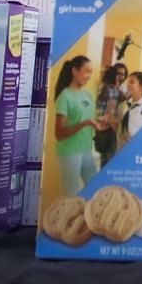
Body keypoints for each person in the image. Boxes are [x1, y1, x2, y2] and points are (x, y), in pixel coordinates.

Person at [51, 56, 102, 192]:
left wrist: (102, 120)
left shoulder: (87, 94)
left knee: (94, 190)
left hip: (86, 150)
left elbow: (90, 120)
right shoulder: (65, 96)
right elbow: (59, 134)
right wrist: (84, 124)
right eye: (87, 71)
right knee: (71, 194)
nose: (89, 76)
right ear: (75, 71)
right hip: (70, 152)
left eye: (91, 72)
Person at [93, 63, 126, 164]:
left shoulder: (102, 88)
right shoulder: (111, 90)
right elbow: (110, 110)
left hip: (100, 127)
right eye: (118, 75)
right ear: (114, 76)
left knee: (104, 157)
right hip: (110, 128)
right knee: (109, 158)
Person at [119, 71, 142, 142]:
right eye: (128, 82)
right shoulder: (125, 105)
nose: (128, 85)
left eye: (132, 82)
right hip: (122, 148)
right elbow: (121, 128)